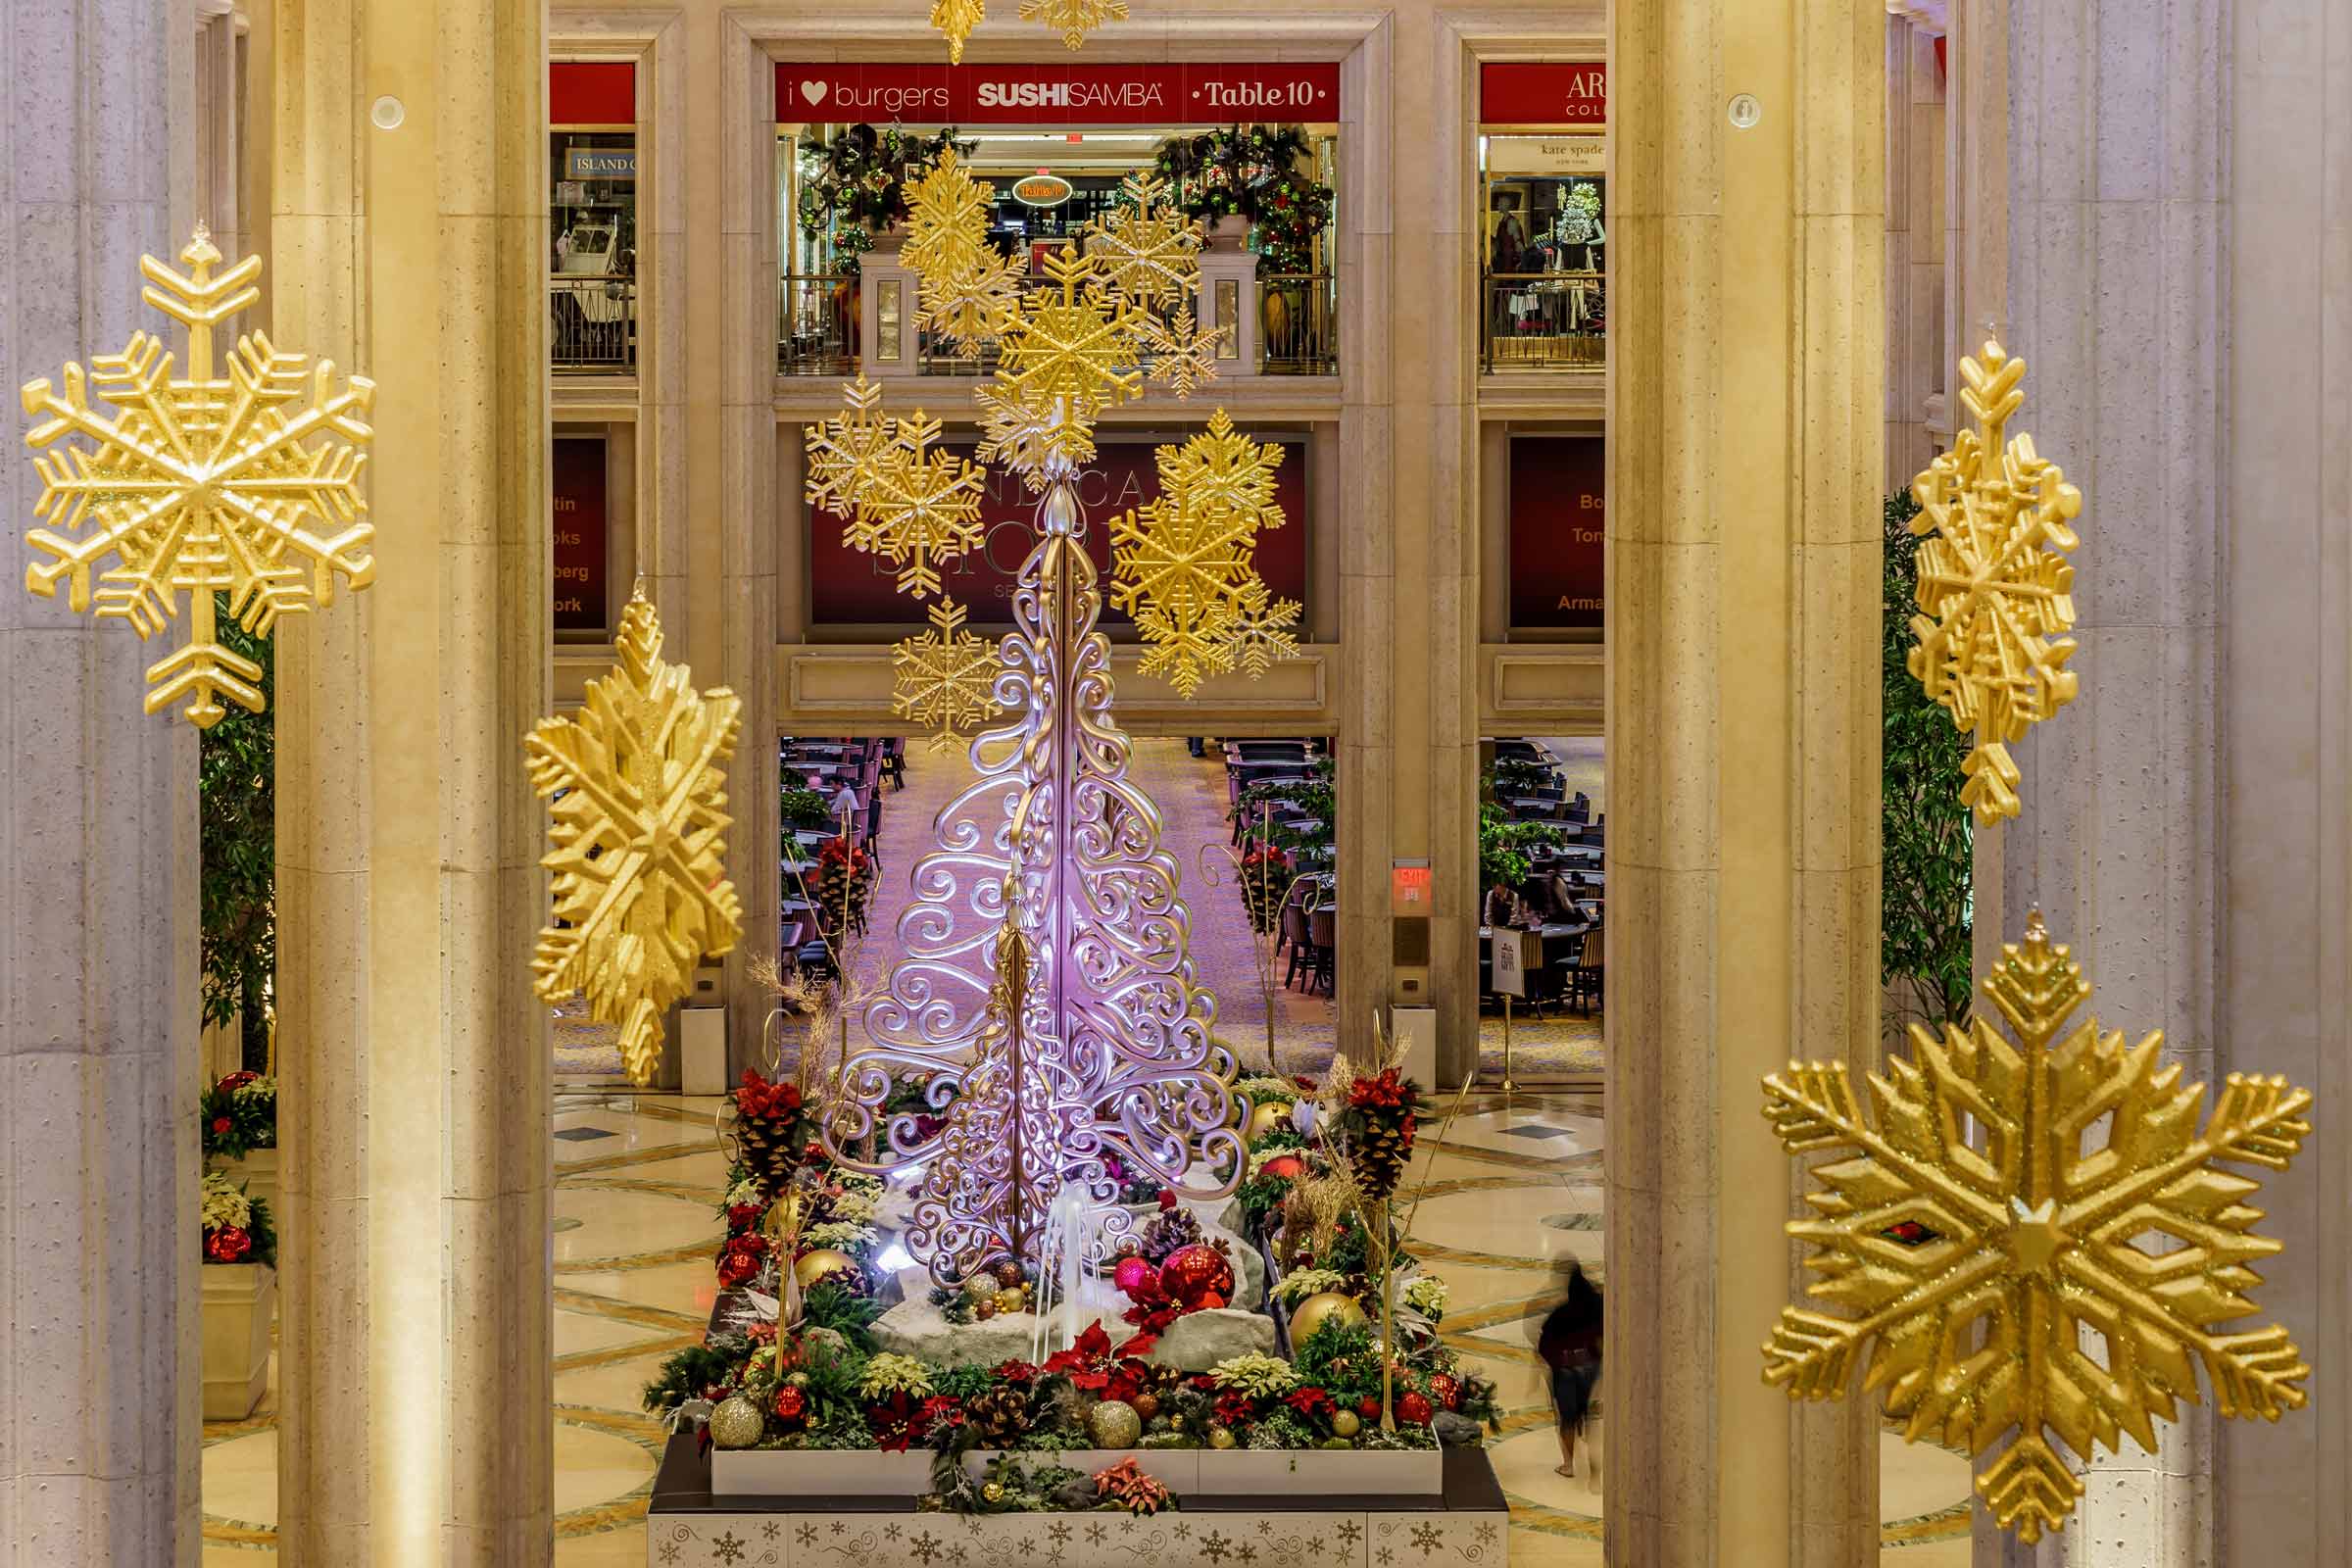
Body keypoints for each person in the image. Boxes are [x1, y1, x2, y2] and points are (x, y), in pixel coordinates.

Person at [1539, 1262, 1602, 1481]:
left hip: (1565, 1370)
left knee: (1567, 1420)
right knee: (1589, 1417)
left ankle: (1568, 1465)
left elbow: (1545, 1345)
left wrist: (1556, 1364)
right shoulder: (1598, 1308)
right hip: (1590, 1367)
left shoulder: (1560, 1315)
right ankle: (1595, 1468)